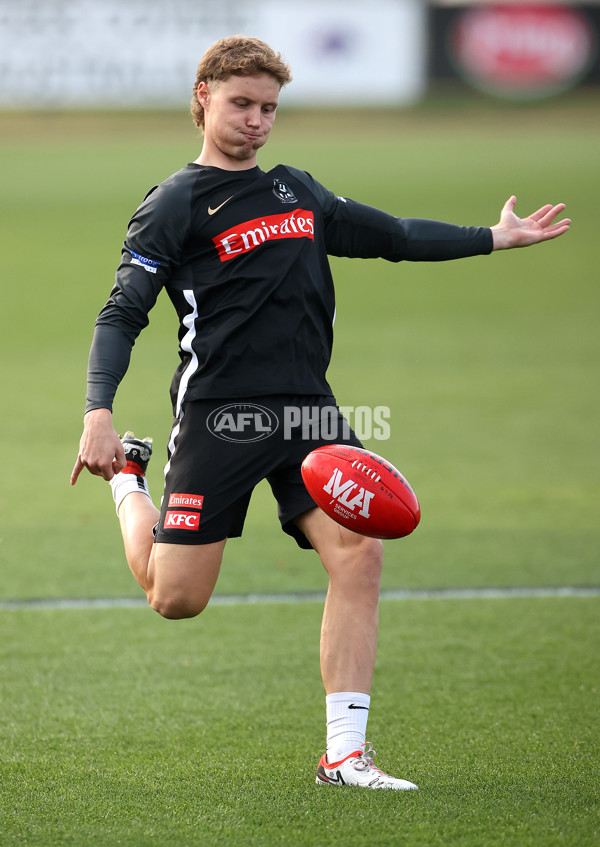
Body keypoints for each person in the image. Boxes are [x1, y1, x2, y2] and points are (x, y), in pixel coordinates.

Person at [71, 35, 570, 791]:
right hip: (219, 414)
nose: (258, 121)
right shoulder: (175, 203)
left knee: (359, 553)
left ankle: (344, 754)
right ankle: (130, 480)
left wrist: (494, 238)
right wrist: (97, 413)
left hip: (308, 409)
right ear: (204, 95)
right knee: (176, 598)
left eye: (270, 108)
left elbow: (393, 236)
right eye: (243, 104)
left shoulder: (294, 189)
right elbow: (120, 313)